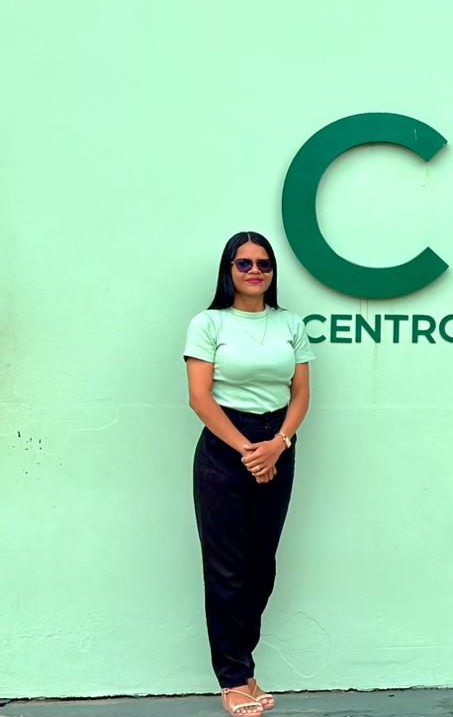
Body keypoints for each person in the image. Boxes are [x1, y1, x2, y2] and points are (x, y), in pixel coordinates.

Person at [183, 231, 315, 716]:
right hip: (225, 449)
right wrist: (248, 451)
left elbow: (301, 394)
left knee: (261, 566)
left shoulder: (289, 323)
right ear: (229, 270)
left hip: (278, 443)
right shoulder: (209, 323)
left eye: (263, 263)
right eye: (244, 263)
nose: (255, 271)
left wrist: (277, 445)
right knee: (227, 568)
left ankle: (243, 665)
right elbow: (200, 397)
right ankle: (234, 678)